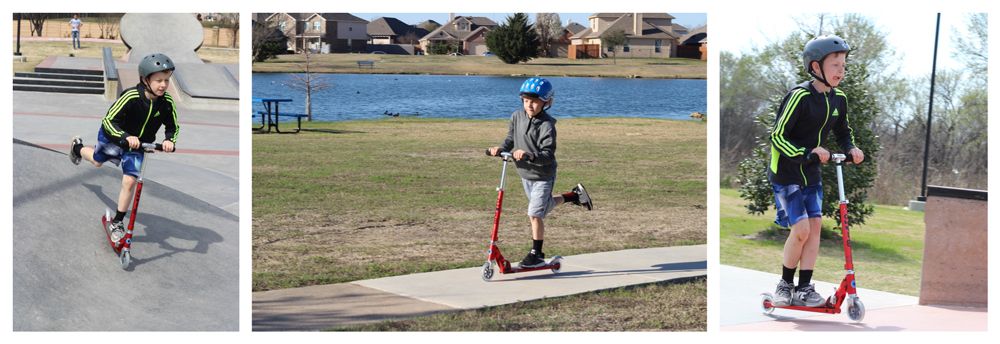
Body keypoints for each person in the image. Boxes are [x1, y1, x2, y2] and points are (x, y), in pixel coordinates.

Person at [769, 35, 865, 307]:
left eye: (843, 65)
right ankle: (785, 284)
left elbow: (844, 132)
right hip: (787, 173)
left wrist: (852, 149)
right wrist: (805, 153)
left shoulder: (839, 99)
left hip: (811, 173)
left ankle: (804, 288)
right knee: (800, 231)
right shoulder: (799, 96)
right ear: (815, 67)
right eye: (835, 64)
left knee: (814, 229)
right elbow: (777, 136)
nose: (841, 70)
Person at [69, 53, 180, 241]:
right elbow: (109, 120)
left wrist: (170, 140)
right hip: (114, 137)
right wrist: (125, 137)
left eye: (166, 80)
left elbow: (173, 126)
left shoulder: (167, 103)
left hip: (138, 146)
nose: (163, 85)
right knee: (96, 161)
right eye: (159, 80)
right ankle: (77, 148)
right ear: (145, 80)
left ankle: (117, 221)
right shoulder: (131, 97)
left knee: (129, 181)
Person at [487, 77, 593, 268]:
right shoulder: (516, 116)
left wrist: (529, 155)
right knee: (542, 208)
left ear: (547, 102)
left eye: (535, 101)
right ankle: (573, 196)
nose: (530, 105)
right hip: (525, 174)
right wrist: (500, 148)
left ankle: (537, 253)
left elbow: (548, 154)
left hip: (543, 175)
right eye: (526, 100)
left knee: (534, 213)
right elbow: (511, 138)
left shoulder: (547, 125)